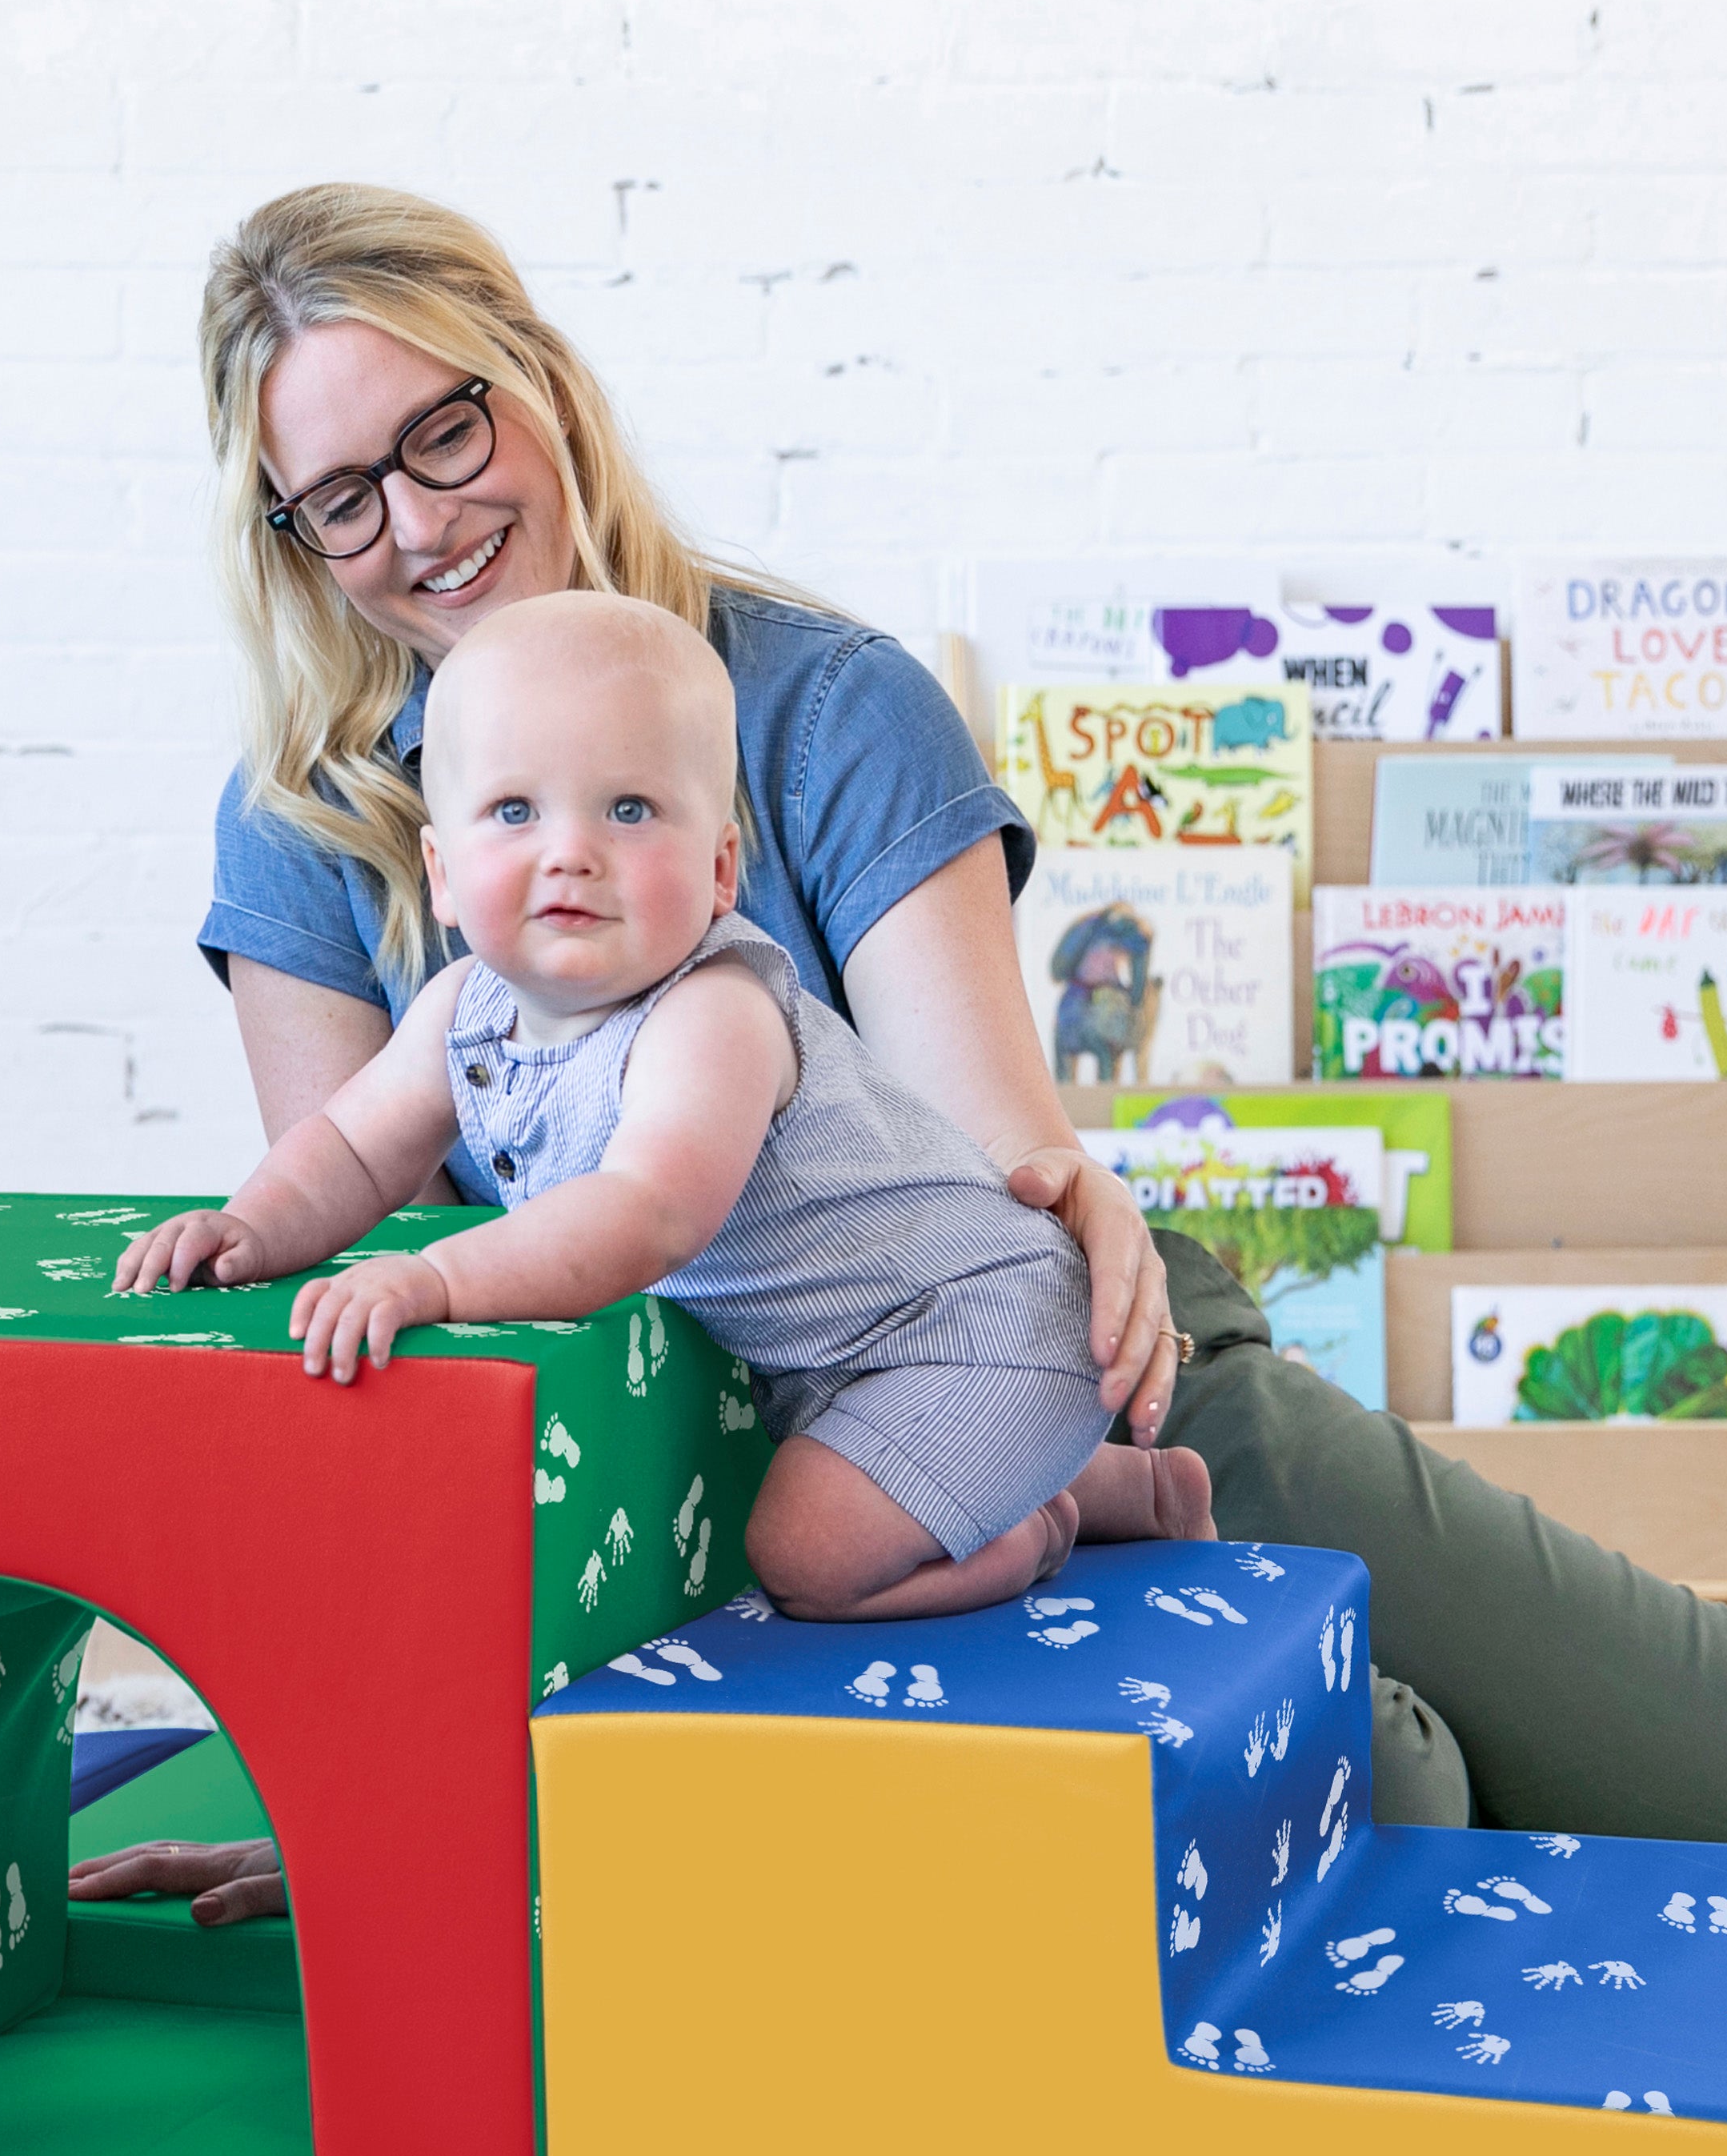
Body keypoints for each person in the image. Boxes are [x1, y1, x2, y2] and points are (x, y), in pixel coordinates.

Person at [72, 181, 1727, 1934]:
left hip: (1009, 1370)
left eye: (441, 432)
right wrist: (394, 1791)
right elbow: (344, 1325)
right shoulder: (313, 824)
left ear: (541, 389)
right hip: (701, 1519)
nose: (413, 523)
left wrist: (1068, 1244)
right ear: (291, 539)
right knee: (1376, 1772)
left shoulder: (816, 698)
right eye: (336, 494)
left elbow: (994, 1157)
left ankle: (1319, 1613)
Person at [114, 595, 1218, 1619]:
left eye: (630, 809)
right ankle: (1121, 1487)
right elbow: (352, 1149)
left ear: (721, 867)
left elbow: (648, 1211)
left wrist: (438, 1278)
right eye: (513, 810)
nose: (572, 853)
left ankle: (1035, 1524)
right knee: (771, 1464)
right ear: (442, 872)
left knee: (798, 1555)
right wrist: (252, 1227)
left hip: (970, 1331)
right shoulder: (463, 1008)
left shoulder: (713, 1012)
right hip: (833, 1359)